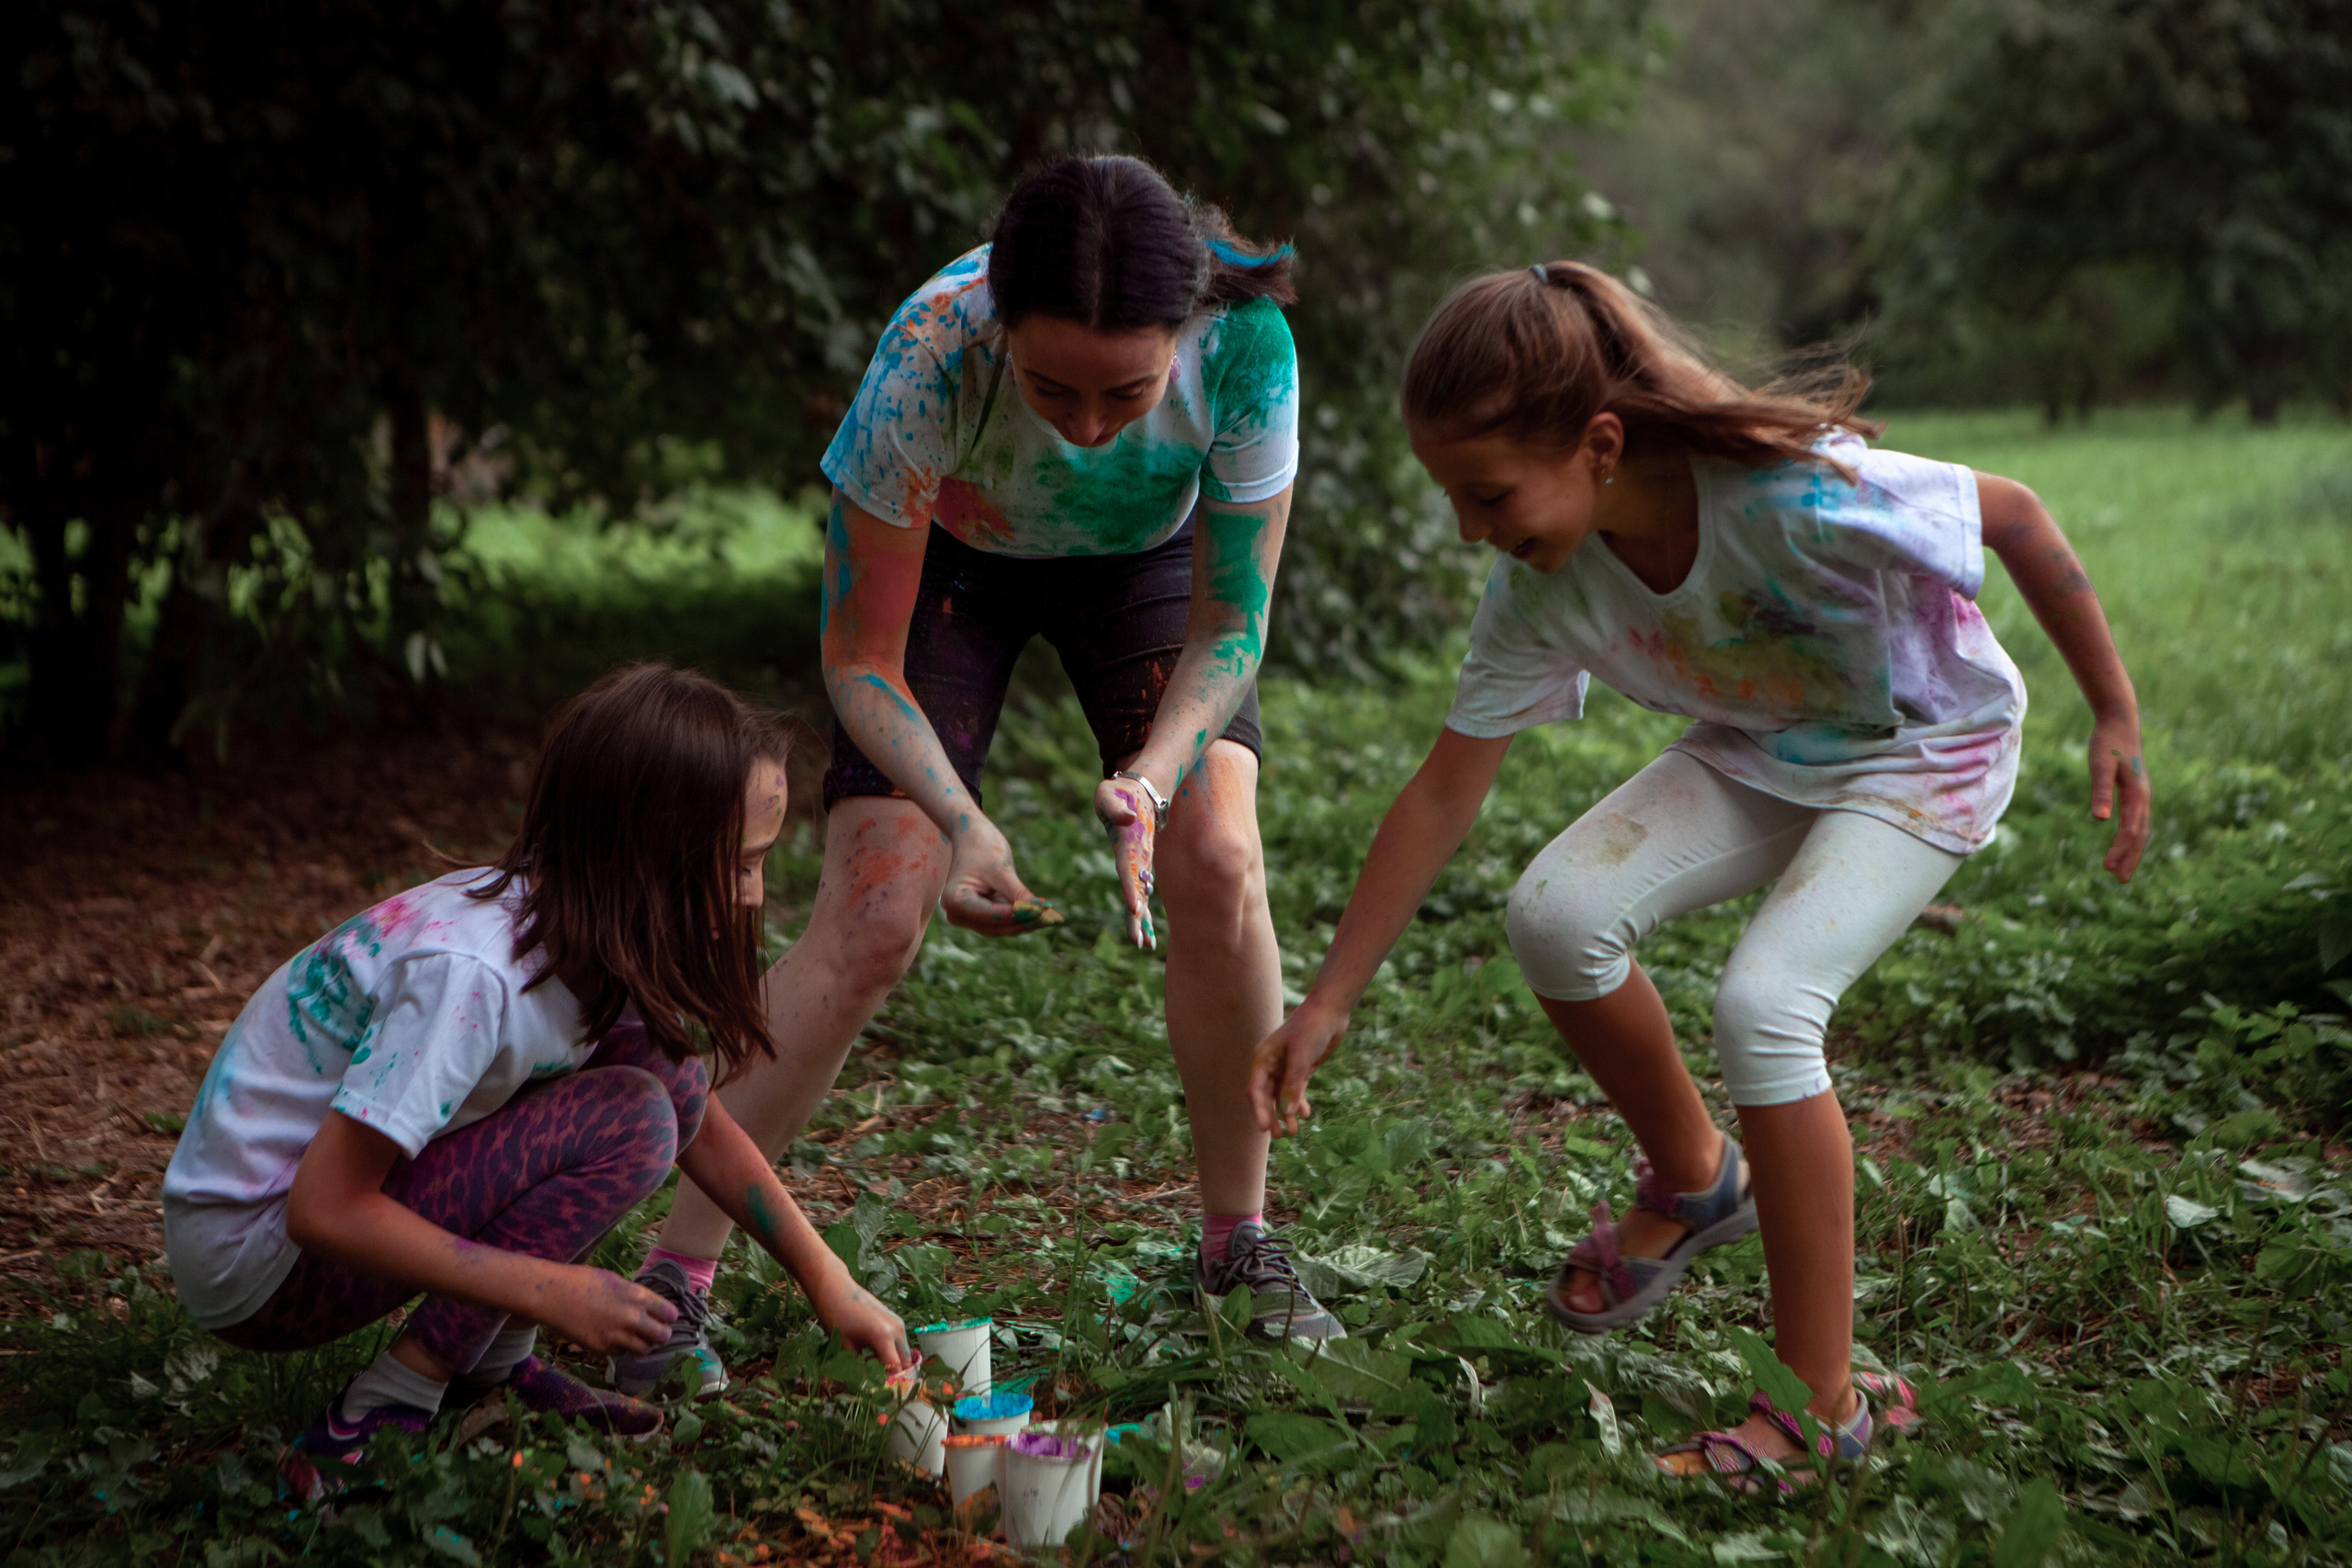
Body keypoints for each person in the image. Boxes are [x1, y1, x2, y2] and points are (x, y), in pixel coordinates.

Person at [1247, 262, 2152, 1483]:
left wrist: (2114, 713)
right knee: (1556, 915)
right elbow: (1446, 786)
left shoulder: (1793, 493)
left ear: (1602, 443)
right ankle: (1694, 1174)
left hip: (1925, 747)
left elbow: (2021, 514)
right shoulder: (1541, 583)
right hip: (1765, 746)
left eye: (1489, 492)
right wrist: (1331, 996)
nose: (1472, 527)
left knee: (1766, 1003)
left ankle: (1819, 1406)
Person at [622, 154, 1340, 1396]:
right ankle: (672, 1279)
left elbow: (1232, 625)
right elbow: (860, 656)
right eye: (1054, 385)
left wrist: (1154, 779)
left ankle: (1242, 1239)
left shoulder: (1249, 344)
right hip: (959, 559)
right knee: (878, 906)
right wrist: (959, 822)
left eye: (1128, 389)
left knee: (1218, 852)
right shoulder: (930, 352)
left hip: (1146, 567)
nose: (1092, 423)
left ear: (1183, 334)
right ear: (1000, 324)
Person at [160, 664, 910, 1478]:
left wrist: (827, 1277)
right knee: (631, 1117)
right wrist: (550, 1289)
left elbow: (702, 1120)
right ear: (643, 856)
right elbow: (324, 1209)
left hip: (299, 1233)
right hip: (257, 1256)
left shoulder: (583, 927)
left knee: (665, 1087)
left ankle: (490, 1362)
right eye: (736, 863)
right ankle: (381, 1408)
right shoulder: (473, 978)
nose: (750, 894)